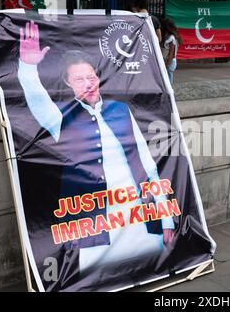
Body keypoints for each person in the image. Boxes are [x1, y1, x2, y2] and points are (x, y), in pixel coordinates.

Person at [17, 21, 175, 277]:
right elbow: (36, 98)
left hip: (138, 224)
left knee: (147, 272)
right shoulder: (60, 118)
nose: (88, 83)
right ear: (68, 84)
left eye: (91, 77)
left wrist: (166, 218)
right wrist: (27, 67)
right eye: (79, 79)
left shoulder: (121, 110)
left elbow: (148, 166)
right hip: (92, 231)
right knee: (95, 280)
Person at [161, 17, 182, 84]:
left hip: (169, 62)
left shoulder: (171, 38)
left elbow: (171, 54)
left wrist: (167, 65)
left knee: (168, 80)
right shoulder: (171, 36)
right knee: (168, 78)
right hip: (170, 61)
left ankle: (169, 92)